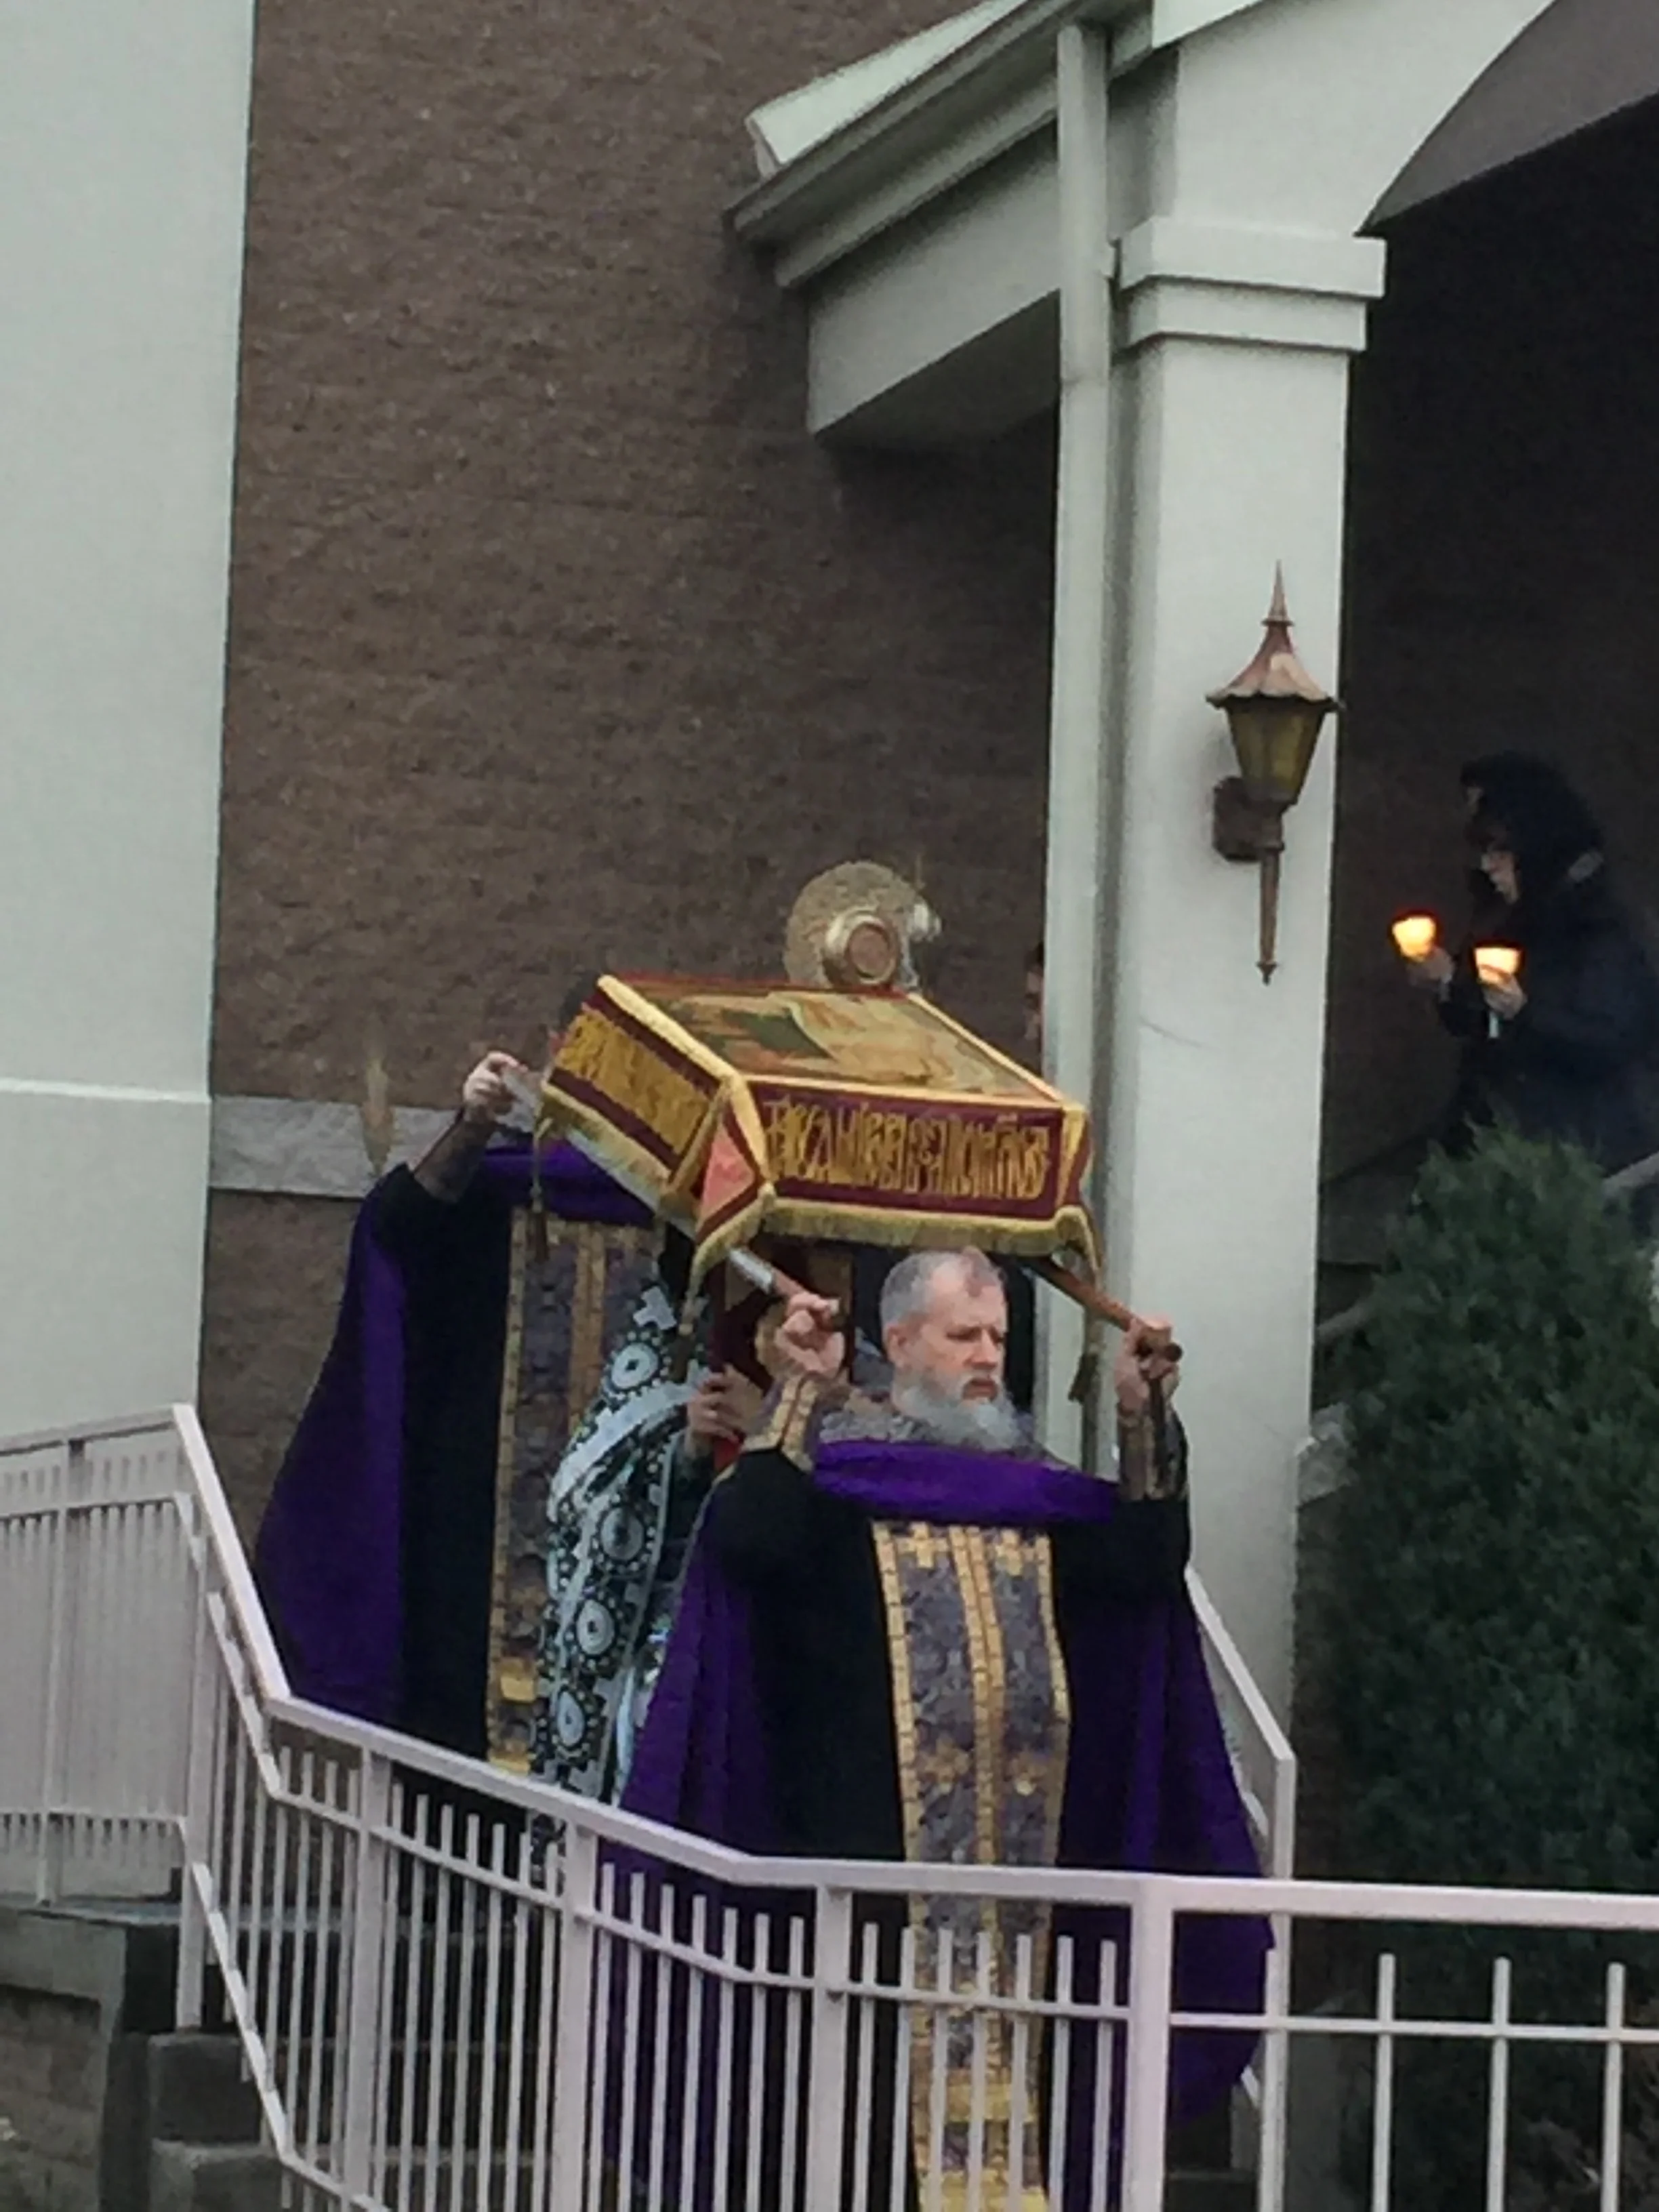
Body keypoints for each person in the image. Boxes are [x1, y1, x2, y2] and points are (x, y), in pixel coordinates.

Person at [622, 1248, 1265, 2207]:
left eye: (998, 1337)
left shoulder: (1039, 1497)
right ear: (901, 1343)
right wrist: (799, 1390)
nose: (987, 1357)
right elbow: (749, 1542)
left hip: (1023, 1899)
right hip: (860, 1889)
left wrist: (1141, 1414)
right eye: (965, 1335)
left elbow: (1143, 1569)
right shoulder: (836, 1486)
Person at [253, 983, 658, 1758]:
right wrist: (472, 1124)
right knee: (458, 1690)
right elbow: (401, 1232)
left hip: (626, 1503)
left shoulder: (672, 1205)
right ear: (555, 1043)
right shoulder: (499, 1181)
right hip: (483, 1490)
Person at [1405, 756, 1659, 1176]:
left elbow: (1608, 1039)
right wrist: (1449, 984)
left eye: (1498, 851)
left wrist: (1523, 1012)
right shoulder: (1511, 913)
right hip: (1499, 1135)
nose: (1488, 867)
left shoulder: (1601, 925)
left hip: (1579, 1151)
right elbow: (1480, 1023)